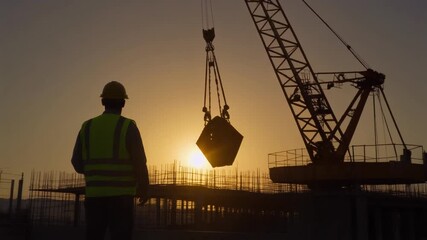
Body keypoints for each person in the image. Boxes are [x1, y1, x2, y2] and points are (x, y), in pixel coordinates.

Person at [71, 81, 149, 240]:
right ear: (123, 103)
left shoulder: (87, 127)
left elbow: (77, 163)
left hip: (94, 198)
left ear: (102, 102)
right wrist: (144, 187)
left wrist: (96, 173)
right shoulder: (128, 126)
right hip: (121, 198)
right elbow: (139, 162)